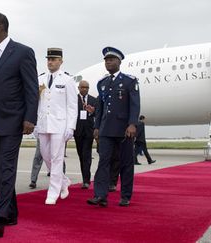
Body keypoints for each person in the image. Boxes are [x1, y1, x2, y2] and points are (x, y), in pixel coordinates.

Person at [0, 13, 38, 237]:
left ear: (0, 27)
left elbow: (31, 88)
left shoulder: (22, 52)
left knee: (6, 166)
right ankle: (11, 211)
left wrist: (30, 118)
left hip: (13, 120)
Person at [87, 47, 140, 207]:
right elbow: (101, 107)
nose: (108, 62)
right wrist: (96, 126)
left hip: (124, 129)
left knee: (125, 163)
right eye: (106, 60)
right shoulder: (102, 83)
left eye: (111, 59)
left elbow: (135, 104)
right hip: (105, 129)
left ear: (119, 62)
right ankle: (100, 195)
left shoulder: (130, 81)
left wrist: (132, 124)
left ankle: (125, 195)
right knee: (103, 162)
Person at [35, 47, 77, 205]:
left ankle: (53, 192)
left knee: (56, 157)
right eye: (48, 59)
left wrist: (70, 127)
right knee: (46, 156)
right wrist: (34, 125)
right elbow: (36, 103)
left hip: (60, 124)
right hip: (43, 123)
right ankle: (64, 181)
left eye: (53, 59)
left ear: (61, 61)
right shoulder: (40, 79)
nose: (50, 62)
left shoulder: (67, 80)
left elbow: (72, 106)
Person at [74, 80, 97, 189]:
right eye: (82, 87)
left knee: (86, 155)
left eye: (86, 87)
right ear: (78, 88)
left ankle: (86, 180)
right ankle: (85, 177)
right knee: (81, 155)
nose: (84, 89)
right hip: (77, 131)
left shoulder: (93, 99)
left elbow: (98, 113)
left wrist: (92, 111)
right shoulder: (73, 99)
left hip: (89, 131)